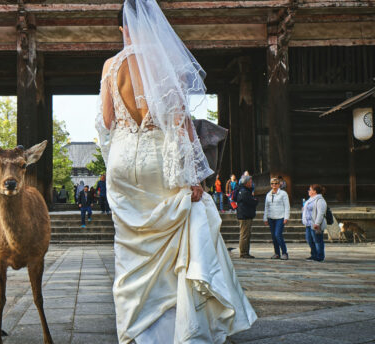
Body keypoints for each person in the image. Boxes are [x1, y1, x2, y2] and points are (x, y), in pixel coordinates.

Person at [95, 1, 256, 342]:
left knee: (130, 248)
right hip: (157, 159)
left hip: (123, 161)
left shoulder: (111, 66)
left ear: (124, 29)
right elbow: (180, 123)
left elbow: (107, 121)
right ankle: (174, 326)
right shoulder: (163, 62)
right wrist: (194, 176)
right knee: (173, 239)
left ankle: (136, 328)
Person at [263, 178, 290, 260]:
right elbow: (266, 207)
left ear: (279, 185)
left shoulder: (283, 194)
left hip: (280, 217)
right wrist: (265, 218)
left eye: (276, 183)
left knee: (278, 235)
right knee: (273, 236)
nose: (274, 185)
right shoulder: (268, 194)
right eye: (272, 184)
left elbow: (287, 206)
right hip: (271, 217)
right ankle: (277, 253)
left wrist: (286, 217)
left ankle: (284, 253)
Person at [303, 184, 327, 262]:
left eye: (310, 189)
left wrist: (317, 223)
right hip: (309, 223)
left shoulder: (320, 200)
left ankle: (320, 256)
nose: (308, 191)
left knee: (317, 240)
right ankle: (313, 254)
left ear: (314, 191)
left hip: (316, 224)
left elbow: (321, 213)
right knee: (309, 239)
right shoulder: (310, 199)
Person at [235, 175, 258, 259]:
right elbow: (251, 202)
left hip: (245, 214)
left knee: (246, 234)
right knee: (244, 234)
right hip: (244, 215)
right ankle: (243, 252)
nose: (251, 183)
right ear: (246, 182)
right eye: (250, 182)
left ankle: (245, 252)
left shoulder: (243, 190)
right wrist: (255, 200)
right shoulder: (244, 191)